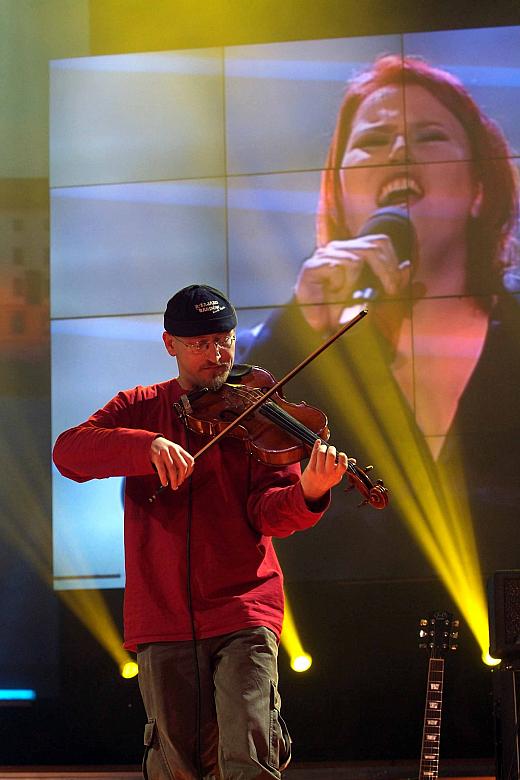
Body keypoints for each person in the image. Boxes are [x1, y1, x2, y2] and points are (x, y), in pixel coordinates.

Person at [52, 284, 349, 780]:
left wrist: (310, 492)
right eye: (200, 344)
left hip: (244, 608)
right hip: (162, 616)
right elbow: (69, 453)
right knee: (175, 766)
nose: (217, 355)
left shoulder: (256, 412)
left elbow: (271, 513)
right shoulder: (141, 405)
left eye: (224, 340)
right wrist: (146, 446)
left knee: (248, 756)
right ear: (170, 344)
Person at [243, 54, 520, 580]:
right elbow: (187, 479)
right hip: (340, 643)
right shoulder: (285, 347)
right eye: (373, 141)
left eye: (430, 136)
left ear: (479, 187)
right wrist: (298, 326)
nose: (400, 152)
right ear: (342, 193)